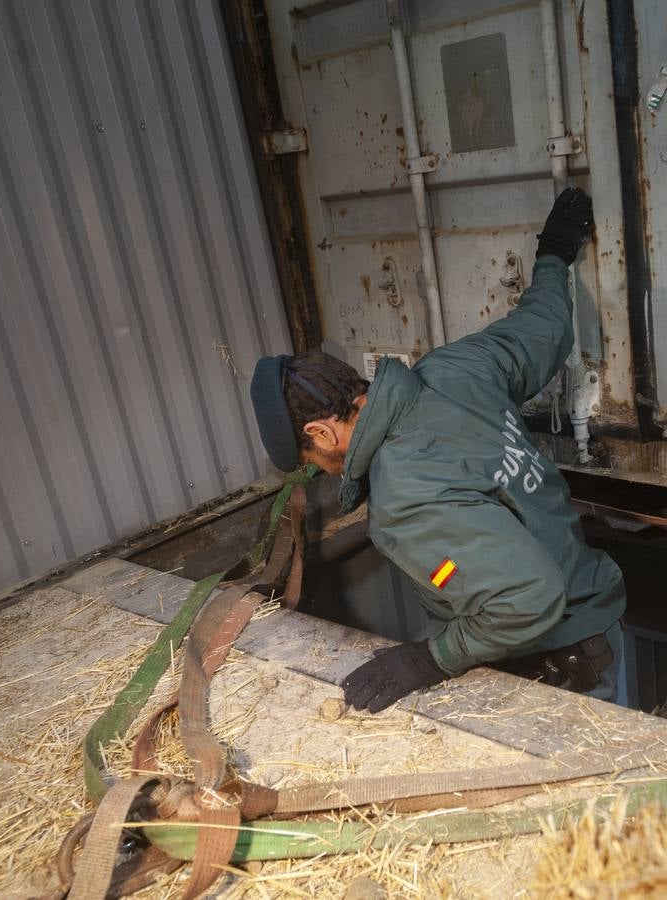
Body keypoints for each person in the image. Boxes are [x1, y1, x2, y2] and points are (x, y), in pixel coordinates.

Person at [249, 187, 626, 712]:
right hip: (603, 626)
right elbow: (544, 327)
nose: (318, 470)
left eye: (309, 459)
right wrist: (555, 252)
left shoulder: (404, 497)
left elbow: (527, 600)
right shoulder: (454, 368)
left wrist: (431, 658)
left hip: (558, 670)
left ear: (320, 432)